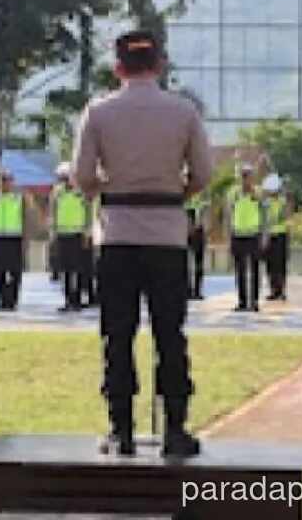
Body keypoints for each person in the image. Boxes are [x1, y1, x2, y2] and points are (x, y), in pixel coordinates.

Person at [72, 29, 213, 457]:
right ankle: (175, 429)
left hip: (117, 234)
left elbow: (82, 176)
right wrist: (173, 193)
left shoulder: (99, 112)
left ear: (118, 68)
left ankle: (122, 430)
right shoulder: (184, 112)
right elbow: (203, 175)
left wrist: (111, 189)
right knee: (170, 334)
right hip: (167, 234)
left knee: (118, 335)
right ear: (160, 65)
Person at [226, 165, 267, 312]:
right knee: (240, 270)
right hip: (238, 234)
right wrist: (229, 234)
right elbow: (228, 214)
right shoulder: (234, 193)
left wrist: (264, 234)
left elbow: (264, 214)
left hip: (254, 234)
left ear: (252, 177)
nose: (245, 179)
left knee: (255, 269)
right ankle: (242, 301)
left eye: (248, 176)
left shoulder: (258, 193)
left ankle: (254, 301)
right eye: (243, 176)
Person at [0, 170, 27, 312]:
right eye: (2, 180)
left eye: (7, 180)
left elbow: (25, 218)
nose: (5, 183)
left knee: (15, 271)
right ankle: (2, 300)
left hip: (15, 237)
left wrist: (25, 239)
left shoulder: (18, 197)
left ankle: (12, 300)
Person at [51, 163, 90, 313]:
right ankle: (68, 300)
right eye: (63, 178)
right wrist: (53, 233)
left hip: (77, 235)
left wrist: (86, 233)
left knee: (78, 269)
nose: (66, 180)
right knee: (65, 270)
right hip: (62, 235)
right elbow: (53, 213)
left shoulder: (81, 193)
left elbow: (87, 214)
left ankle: (77, 300)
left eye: (68, 177)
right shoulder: (57, 193)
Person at [262, 174, 291, 302]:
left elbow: (286, 215)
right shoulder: (266, 203)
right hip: (269, 235)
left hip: (280, 234)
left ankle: (281, 290)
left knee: (280, 264)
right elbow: (264, 219)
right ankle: (273, 290)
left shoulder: (283, 201)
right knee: (270, 265)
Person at [184, 190, 210, 300]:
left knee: (198, 263)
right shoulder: (185, 194)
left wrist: (203, 226)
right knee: (185, 262)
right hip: (186, 231)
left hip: (198, 231)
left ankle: (197, 291)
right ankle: (188, 290)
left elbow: (206, 212)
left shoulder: (202, 194)